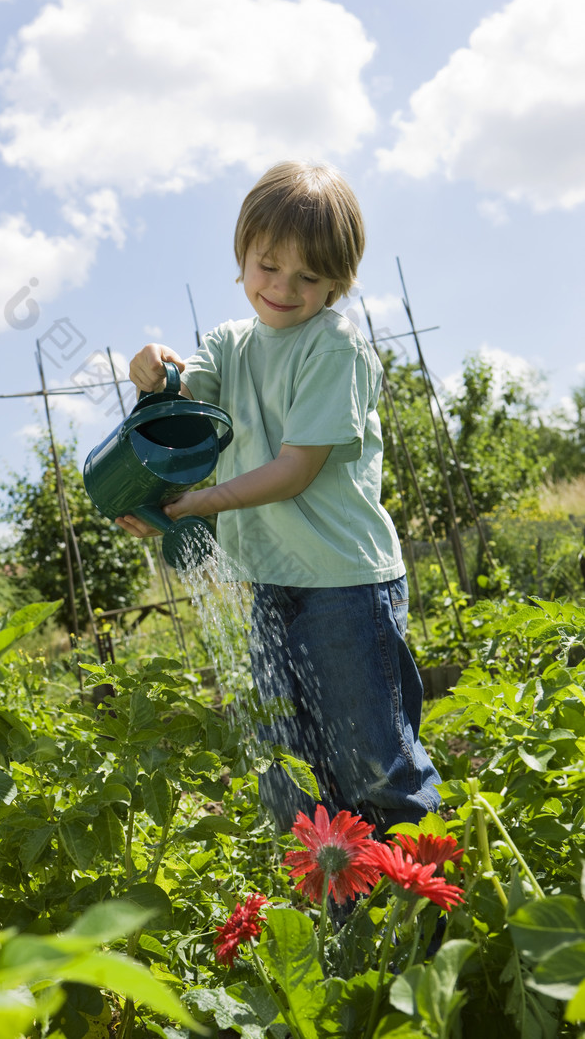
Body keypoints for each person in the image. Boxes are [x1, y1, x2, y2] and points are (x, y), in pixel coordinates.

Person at [119, 160, 441, 838]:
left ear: (338, 283)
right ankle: (339, 931)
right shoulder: (232, 346)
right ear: (243, 257)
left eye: (308, 277)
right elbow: (176, 397)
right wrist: (149, 367)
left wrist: (205, 505)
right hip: (271, 583)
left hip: (345, 586)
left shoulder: (335, 346)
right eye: (268, 266)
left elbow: (295, 469)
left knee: (374, 766)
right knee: (290, 776)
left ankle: (424, 920)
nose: (283, 288)